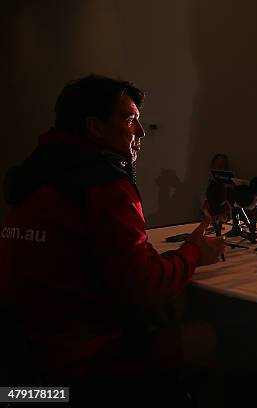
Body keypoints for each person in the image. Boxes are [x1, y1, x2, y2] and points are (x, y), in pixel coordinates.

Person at [0, 75, 224, 394]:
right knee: (213, 335)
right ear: (95, 127)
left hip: (21, 359)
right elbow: (145, 285)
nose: (142, 132)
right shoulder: (104, 186)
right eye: (131, 120)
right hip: (81, 362)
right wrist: (194, 253)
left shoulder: (33, 177)